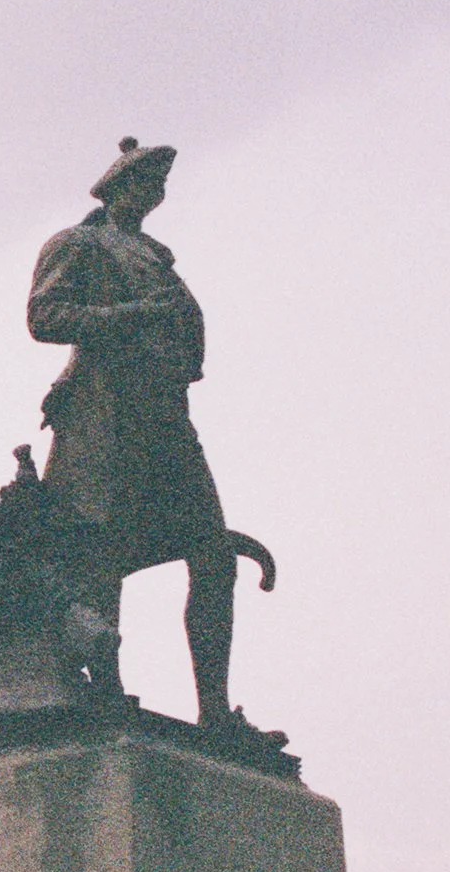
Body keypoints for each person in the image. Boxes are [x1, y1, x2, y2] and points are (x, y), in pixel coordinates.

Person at [27, 137, 281, 751]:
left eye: (159, 188)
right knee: (99, 556)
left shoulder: (158, 257)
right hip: (106, 417)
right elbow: (44, 317)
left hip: (165, 415)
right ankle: (102, 692)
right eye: (143, 185)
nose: (154, 196)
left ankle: (216, 713)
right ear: (115, 189)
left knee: (213, 555)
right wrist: (134, 315)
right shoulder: (79, 244)